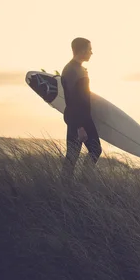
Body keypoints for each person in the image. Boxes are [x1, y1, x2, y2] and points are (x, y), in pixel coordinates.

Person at [61, 37, 102, 177]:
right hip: (79, 120)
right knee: (92, 151)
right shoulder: (72, 70)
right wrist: (80, 127)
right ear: (82, 50)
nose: (91, 52)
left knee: (74, 155)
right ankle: (81, 182)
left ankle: (75, 183)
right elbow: (74, 100)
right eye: (90, 49)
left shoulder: (76, 68)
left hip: (80, 118)